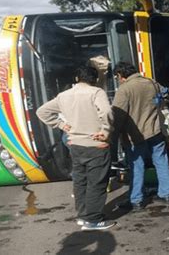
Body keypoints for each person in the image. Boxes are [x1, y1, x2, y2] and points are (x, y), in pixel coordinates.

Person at [36, 66, 115, 231]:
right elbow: (107, 111)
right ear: (95, 79)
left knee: (80, 182)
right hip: (96, 145)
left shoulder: (64, 95)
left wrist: (61, 125)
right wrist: (105, 131)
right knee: (97, 182)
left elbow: (42, 112)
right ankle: (93, 220)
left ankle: (82, 215)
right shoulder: (96, 92)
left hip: (75, 145)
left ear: (78, 78)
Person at [112, 62, 169, 211]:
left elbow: (117, 115)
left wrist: (112, 136)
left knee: (136, 166)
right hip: (156, 130)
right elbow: (166, 96)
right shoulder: (151, 82)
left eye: (117, 77)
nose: (118, 80)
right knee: (161, 161)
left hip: (134, 135)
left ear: (121, 75)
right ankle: (166, 194)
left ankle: (136, 200)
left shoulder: (124, 89)